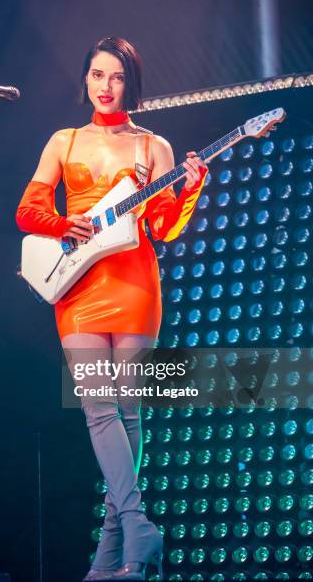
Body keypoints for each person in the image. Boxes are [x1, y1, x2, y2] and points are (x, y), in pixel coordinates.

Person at [16, 37, 208, 581]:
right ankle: (138, 525)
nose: (105, 85)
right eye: (97, 75)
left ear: (131, 83)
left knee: (127, 413)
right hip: (76, 285)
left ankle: (112, 558)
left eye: (116, 77)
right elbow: (28, 209)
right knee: (100, 410)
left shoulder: (155, 146)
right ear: (85, 79)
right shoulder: (65, 140)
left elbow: (165, 227)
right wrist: (60, 223)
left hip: (134, 285)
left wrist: (190, 190)